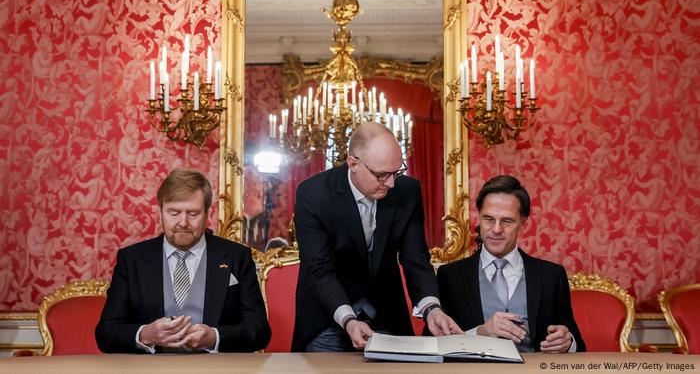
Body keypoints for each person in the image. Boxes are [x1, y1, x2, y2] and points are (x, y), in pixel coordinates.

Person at [291, 122, 462, 352]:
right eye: (381, 175)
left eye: (397, 171)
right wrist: (349, 321)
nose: (391, 183)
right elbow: (319, 270)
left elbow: (416, 259)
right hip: (329, 317)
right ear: (353, 164)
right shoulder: (314, 194)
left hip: (386, 314)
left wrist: (433, 308)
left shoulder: (407, 191)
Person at [95, 169, 271, 353]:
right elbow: (106, 333)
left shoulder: (237, 256)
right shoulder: (132, 260)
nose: (183, 222)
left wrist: (214, 337)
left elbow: (259, 331)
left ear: (206, 213)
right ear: (161, 211)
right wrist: (146, 335)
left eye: (193, 213)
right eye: (174, 212)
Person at [437, 175, 586, 353]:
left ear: (523, 223)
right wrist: (479, 332)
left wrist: (568, 342)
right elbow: (433, 342)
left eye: (507, 221)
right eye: (489, 219)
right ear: (478, 217)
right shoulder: (450, 275)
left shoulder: (551, 275)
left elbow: (577, 344)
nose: (497, 229)